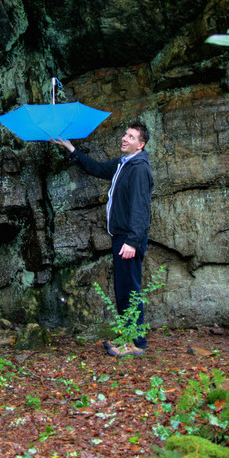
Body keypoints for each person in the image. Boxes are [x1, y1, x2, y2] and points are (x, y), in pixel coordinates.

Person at [54, 123, 154, 357]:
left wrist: (132, 241)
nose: (124, 138)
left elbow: (141, 208)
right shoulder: (123, 164)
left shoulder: (139, 169)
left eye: (131, 137)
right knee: (123, 289)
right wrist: (70, 147)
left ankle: (136, 343)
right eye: (125, 134)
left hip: (129, 239)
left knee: (130, 290)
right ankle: (128, 336)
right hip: (121, 236)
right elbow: (97, 168)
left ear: (141, 145)